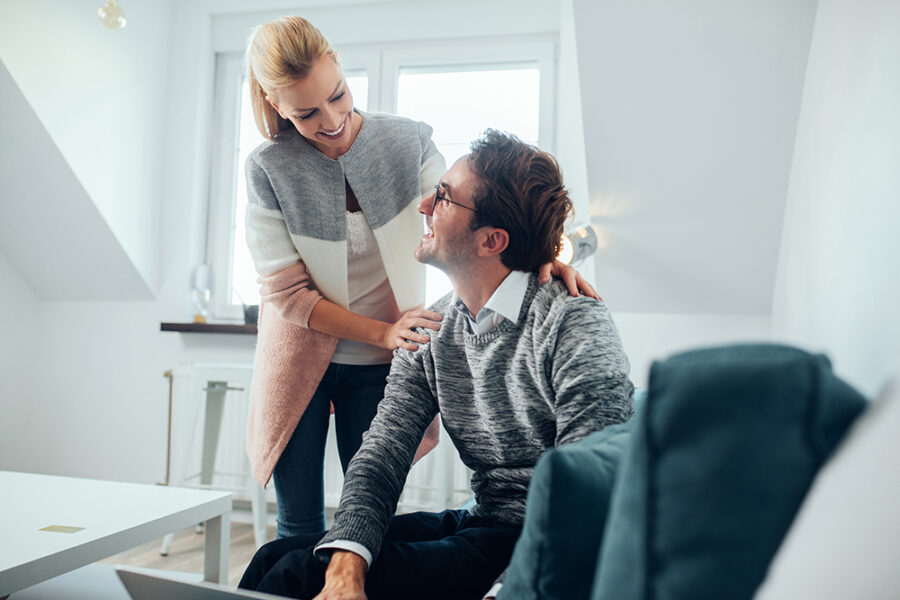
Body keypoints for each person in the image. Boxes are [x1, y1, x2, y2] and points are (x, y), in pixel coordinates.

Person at [242, 17, 599, 541]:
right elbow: (286, 294)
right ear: (275, 104)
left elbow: (473, 215)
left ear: (340, 68)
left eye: (338, 95)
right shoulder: (268, 168)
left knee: (368, 513)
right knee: (296, 525)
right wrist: (382, 331)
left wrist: (541, 253)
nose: (334, 119)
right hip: (301, 359)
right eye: (307, 113)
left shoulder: (406, 142)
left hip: (383, 363)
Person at [239, 130, 635, 600]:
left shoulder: (572, 322)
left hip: (536, 543)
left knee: (297, 577)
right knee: (275, 557)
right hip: (484, 520)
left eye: (444, 198)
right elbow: (382, 453)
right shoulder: (433, 328)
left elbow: (587, 489)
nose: (424, 205)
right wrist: (346, 566)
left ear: (492, 240)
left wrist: (512, 589)